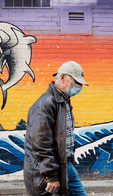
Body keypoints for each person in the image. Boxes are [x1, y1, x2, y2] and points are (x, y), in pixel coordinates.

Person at [23, 61, 88, 196]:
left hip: (65, 166)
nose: (78, 86)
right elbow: (41, 144)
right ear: (63, 77)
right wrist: (51, 176)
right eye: (75, 81)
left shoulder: (62, 101)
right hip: (46, 172)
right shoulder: (45, 104)